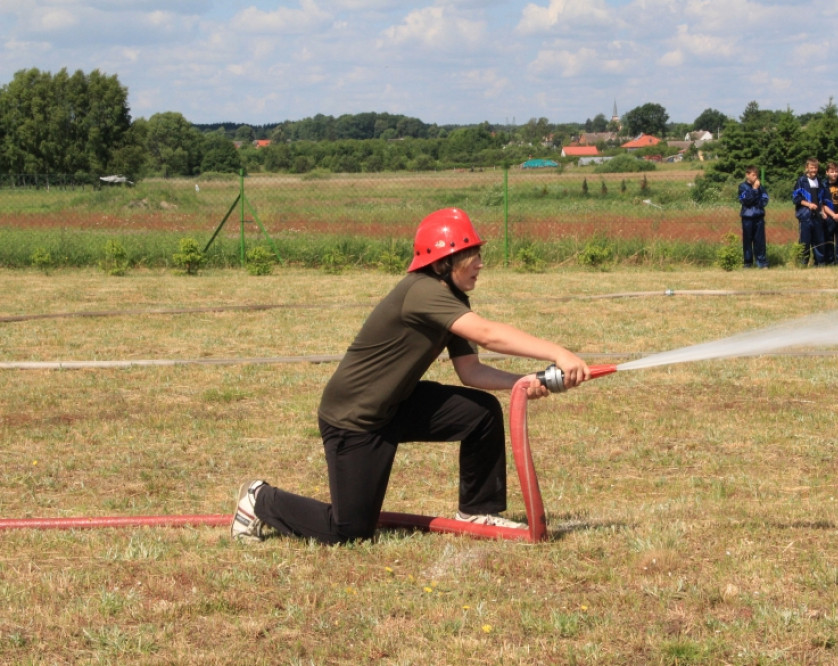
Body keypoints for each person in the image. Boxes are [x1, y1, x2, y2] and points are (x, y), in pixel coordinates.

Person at [231, 208, 590, 545]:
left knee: (480, 413)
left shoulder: (452, 299)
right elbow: (487, 334)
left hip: (396, 405)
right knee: (350, 531)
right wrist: (557, 352)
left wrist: (522, 381)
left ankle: (477, 512)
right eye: (472, 255)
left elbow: (471, 371)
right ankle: (260, 500)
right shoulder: (422, 292)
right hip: (355, 419)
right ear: (445, 260)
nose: (480, 263)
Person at [791, 158, 826, 266]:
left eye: (815, 168)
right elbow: (795, 198)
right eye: (811, 168)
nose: (814, 170)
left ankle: (820, 263)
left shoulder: (820, 181)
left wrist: (823, 211)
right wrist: (809, 205)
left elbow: (823, 199)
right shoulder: (801, 181)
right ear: (807, 168)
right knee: (804, 241)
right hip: (805, 215)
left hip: (817, 216)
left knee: (819, 240)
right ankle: (803, 263)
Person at [737, 165, 769, 268]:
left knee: (760, 241)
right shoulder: (742, 187)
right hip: (747, 218)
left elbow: (764, 199)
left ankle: (762, 262)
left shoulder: (761, 187)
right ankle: (748, 263)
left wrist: (756, 200)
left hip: (759, 217)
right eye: (753, 175)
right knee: (747, 240)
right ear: (747, 175)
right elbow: (745, 201)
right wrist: (754, 190)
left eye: (757, 175)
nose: (755, 177)